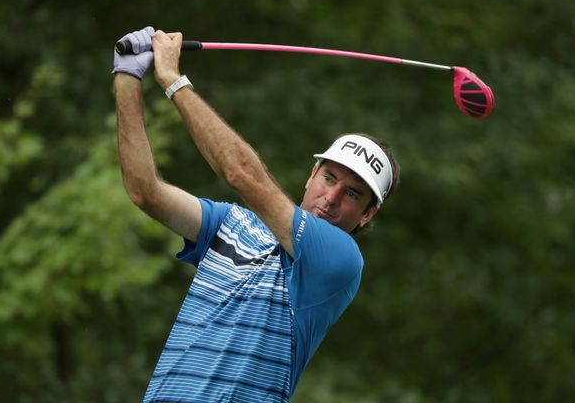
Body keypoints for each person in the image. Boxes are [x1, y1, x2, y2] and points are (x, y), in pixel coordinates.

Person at [113, 26, 400, 403]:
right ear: (312, 174)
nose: (330, 198)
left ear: (367, 214)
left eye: (352, 194)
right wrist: (128, 77)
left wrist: (173, 80)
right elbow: (145, 191)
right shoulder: (233, 223)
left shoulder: (339, 260)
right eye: (328, 177)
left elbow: (242, 174)